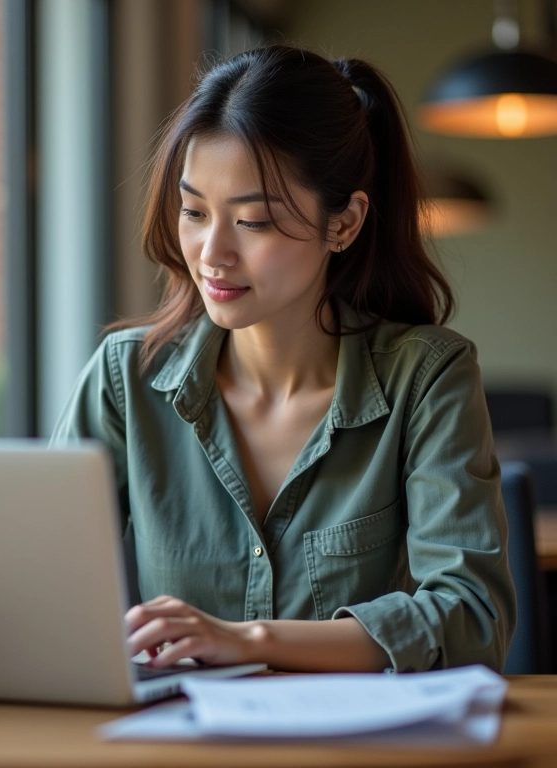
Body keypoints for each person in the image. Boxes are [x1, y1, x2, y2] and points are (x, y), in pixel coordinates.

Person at [50, 44, 516, 673]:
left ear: (343, 224)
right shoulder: (124, 377)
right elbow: (43, 587)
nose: (212, 253)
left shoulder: (427, 378)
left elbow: (471, 616)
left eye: (254, 222)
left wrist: (249, 641)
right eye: (194, 212)